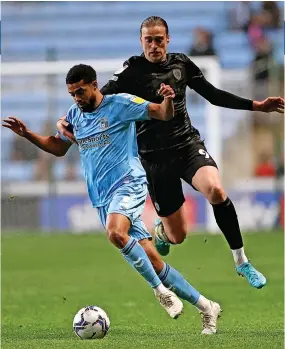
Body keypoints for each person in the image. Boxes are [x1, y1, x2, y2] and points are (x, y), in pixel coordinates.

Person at [57, 16, 284, 290]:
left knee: (215, 190)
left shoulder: (182, 64)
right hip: (154, 159)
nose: (154, 45)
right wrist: (65, 121)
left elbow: (213, 94)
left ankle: (241, 261)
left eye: (159, 39)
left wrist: (257, 105)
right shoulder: (130, 71)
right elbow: (97, 101)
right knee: (178, 236)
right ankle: (162, 232)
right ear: (141, 42)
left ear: (168, 40)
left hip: (186, 145)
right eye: (148, 40)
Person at [3, 64, 221, 335]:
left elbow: (163, 114)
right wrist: (27, 135)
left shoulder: (121, 104)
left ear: (94, 84)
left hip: (129, 184)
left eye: (80, 91)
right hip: (102, 198)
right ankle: (206, 306)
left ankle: (160, 292)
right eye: (72, 93)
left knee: (115, 234)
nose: (77, 98)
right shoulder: (74, 115)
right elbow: (58, 148)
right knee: (153, 261)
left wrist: (167, 99)